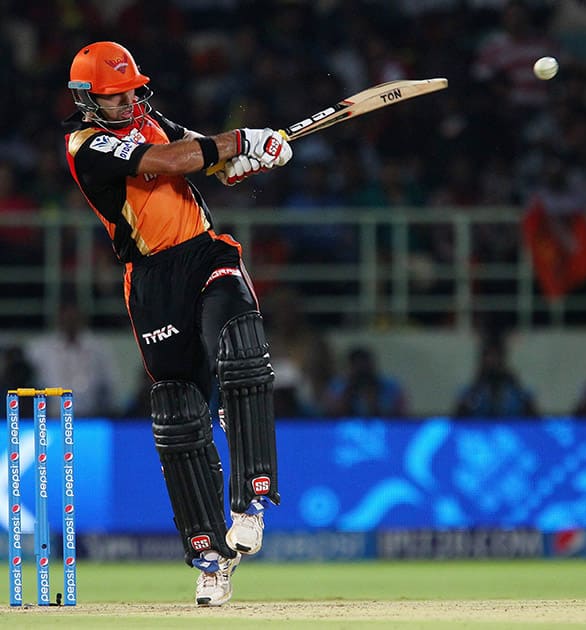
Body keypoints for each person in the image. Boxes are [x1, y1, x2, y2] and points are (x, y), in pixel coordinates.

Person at [62, 41, 292, 606]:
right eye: (115, 97)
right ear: (87, 100)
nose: (128, 102)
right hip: (152, 282)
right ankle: (211, 555)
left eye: (132, 90)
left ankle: (251, 501)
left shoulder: (149, 117)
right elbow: (167, 163)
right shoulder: (85, 146)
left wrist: (241, 161)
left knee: (240, 352)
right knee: (178, 413)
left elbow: (195, 154)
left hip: (205, 255)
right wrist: (239, 142)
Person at [25, 301, 120, 417]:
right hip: (53, 417)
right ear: (59, 319)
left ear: (82, 319)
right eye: (67, 319)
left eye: (74, 319)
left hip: (91, 415)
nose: (70, 322)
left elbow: (110, 383)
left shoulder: (98, 347)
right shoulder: (40, 349)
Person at [453, 336, 539, 418]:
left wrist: (517, 386)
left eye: (496, 357)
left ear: (503, 359)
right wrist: (476, 387)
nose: (492, 362)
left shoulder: (516, 390)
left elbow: (535, 419)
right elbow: (458, 419)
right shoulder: (471, 390)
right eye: (488, 357)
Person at [324, 345, 407, 418]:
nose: (362, 371)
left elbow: (401, 416)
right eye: (357, 367)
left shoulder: (391, 386)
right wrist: (350, 391)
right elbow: (331, 415)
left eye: (365, 366)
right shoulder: (336, 386)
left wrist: (373, 400)